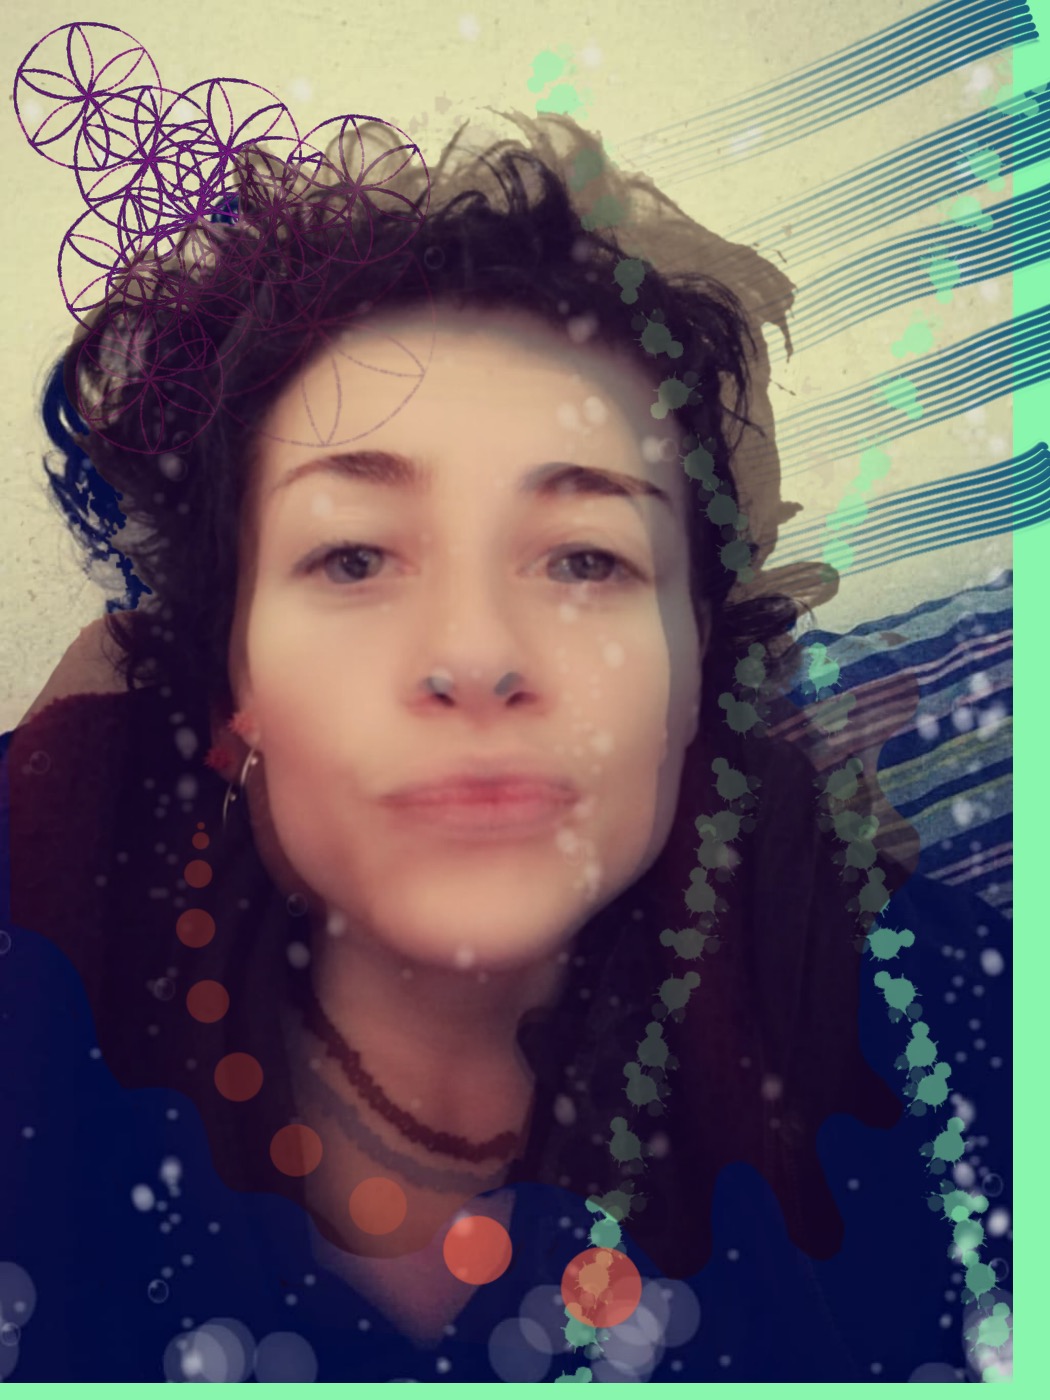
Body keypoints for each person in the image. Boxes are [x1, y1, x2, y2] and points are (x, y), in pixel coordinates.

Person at [1, 109, 1011, 1382]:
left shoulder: (959, 1035)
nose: (476, 654)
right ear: (228, 673)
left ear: (698, 663)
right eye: (353, 556)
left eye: (585, 559)